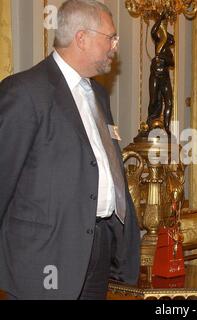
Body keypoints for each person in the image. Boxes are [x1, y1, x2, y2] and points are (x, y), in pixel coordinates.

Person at [0, 0, 140, 299]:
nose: (115, 46)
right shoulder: (25, 91)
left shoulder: (98, 94)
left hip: (96, 249)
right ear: (82, 38)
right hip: (44, 256)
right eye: (110, 37)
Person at [147, 12, 175, 133]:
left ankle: (167, 128)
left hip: (164, 77)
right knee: (154, 100)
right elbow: (153, 31)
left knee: (169, 101)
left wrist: (163, 58)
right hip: (155, 75)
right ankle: (150, 123)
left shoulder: (167, 53)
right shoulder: (159, 41)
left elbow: (172, 63)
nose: (171, 40)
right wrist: (160, 18)